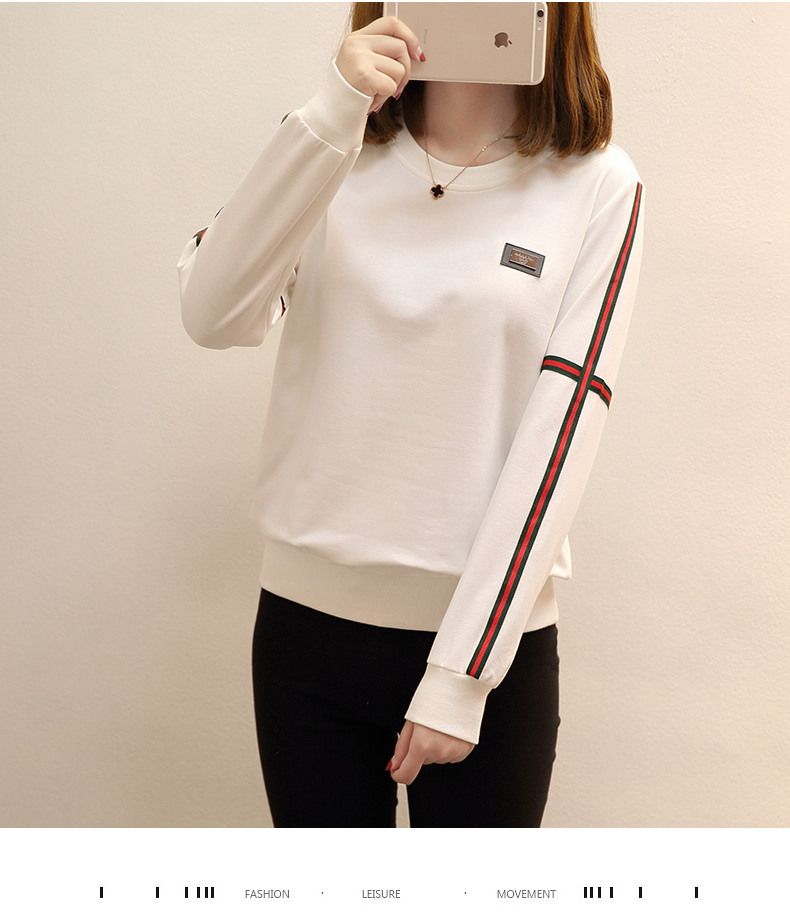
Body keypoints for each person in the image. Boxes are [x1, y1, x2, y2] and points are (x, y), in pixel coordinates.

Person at [177, 1, 644, 827]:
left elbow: (562, 435)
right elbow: (212, 314)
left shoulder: (599, 184)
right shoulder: (326, 143)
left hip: (486, 653)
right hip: (304, 634)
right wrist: (332, 110)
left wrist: (462, 675)